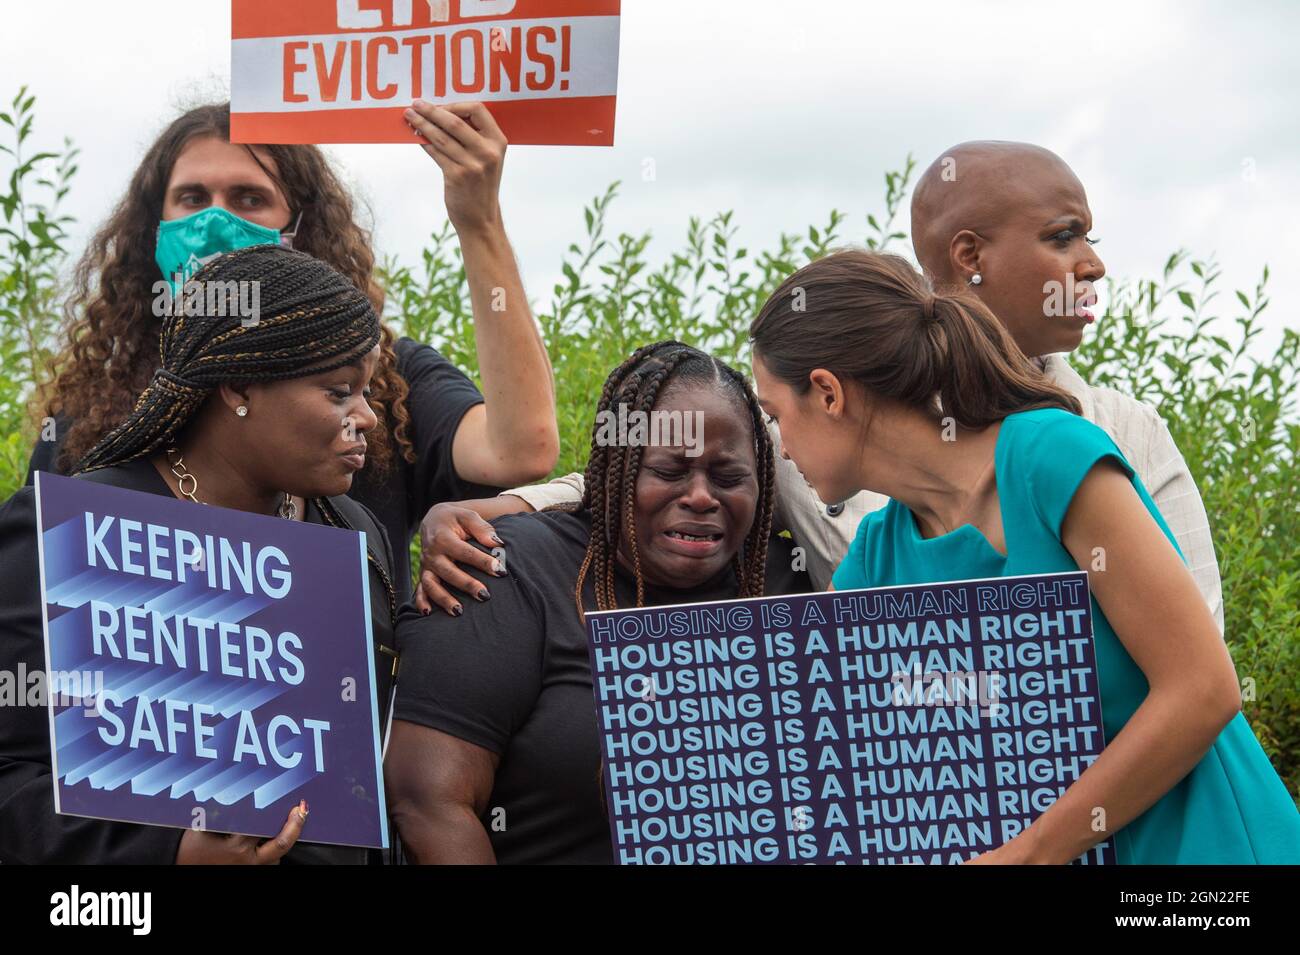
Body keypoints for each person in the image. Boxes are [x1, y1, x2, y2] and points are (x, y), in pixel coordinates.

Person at [413, 142, 1223, 636]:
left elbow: (1197, 649)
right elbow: (646, 470)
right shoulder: (823, 459)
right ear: (970, 254)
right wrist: (494, 510)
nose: (1094, 264)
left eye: (1089, 236)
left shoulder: (1101, 435)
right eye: (1064, 236)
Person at [749, 248, 1300, 865]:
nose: (781, 447)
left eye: (774, 415)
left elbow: (1203, 688)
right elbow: (836, 749)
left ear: (827, 394)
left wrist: (1033, 853)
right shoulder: (875, 559)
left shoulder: (1050, 459)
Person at [23, 98, 559, 599]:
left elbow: (521, 449)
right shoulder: (88, 414)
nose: (213, 223)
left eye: (248, 199)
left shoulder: (390, 385)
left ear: (302, 228)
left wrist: (478, 219)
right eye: (191, 198)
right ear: (153, 225)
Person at [0, 245, 397, 864]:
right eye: (340, 392)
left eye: (366, 393)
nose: (367, 417)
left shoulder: (357, 537)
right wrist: (168, 853)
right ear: (238, 385)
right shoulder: (71, 531)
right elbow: (13, 775)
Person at [385, 342, 811, 864]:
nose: (702, 496)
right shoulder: (509, 571)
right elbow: (428, 802)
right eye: (670, 471)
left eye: (729, 477)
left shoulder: (792, 581)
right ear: (615, 471)